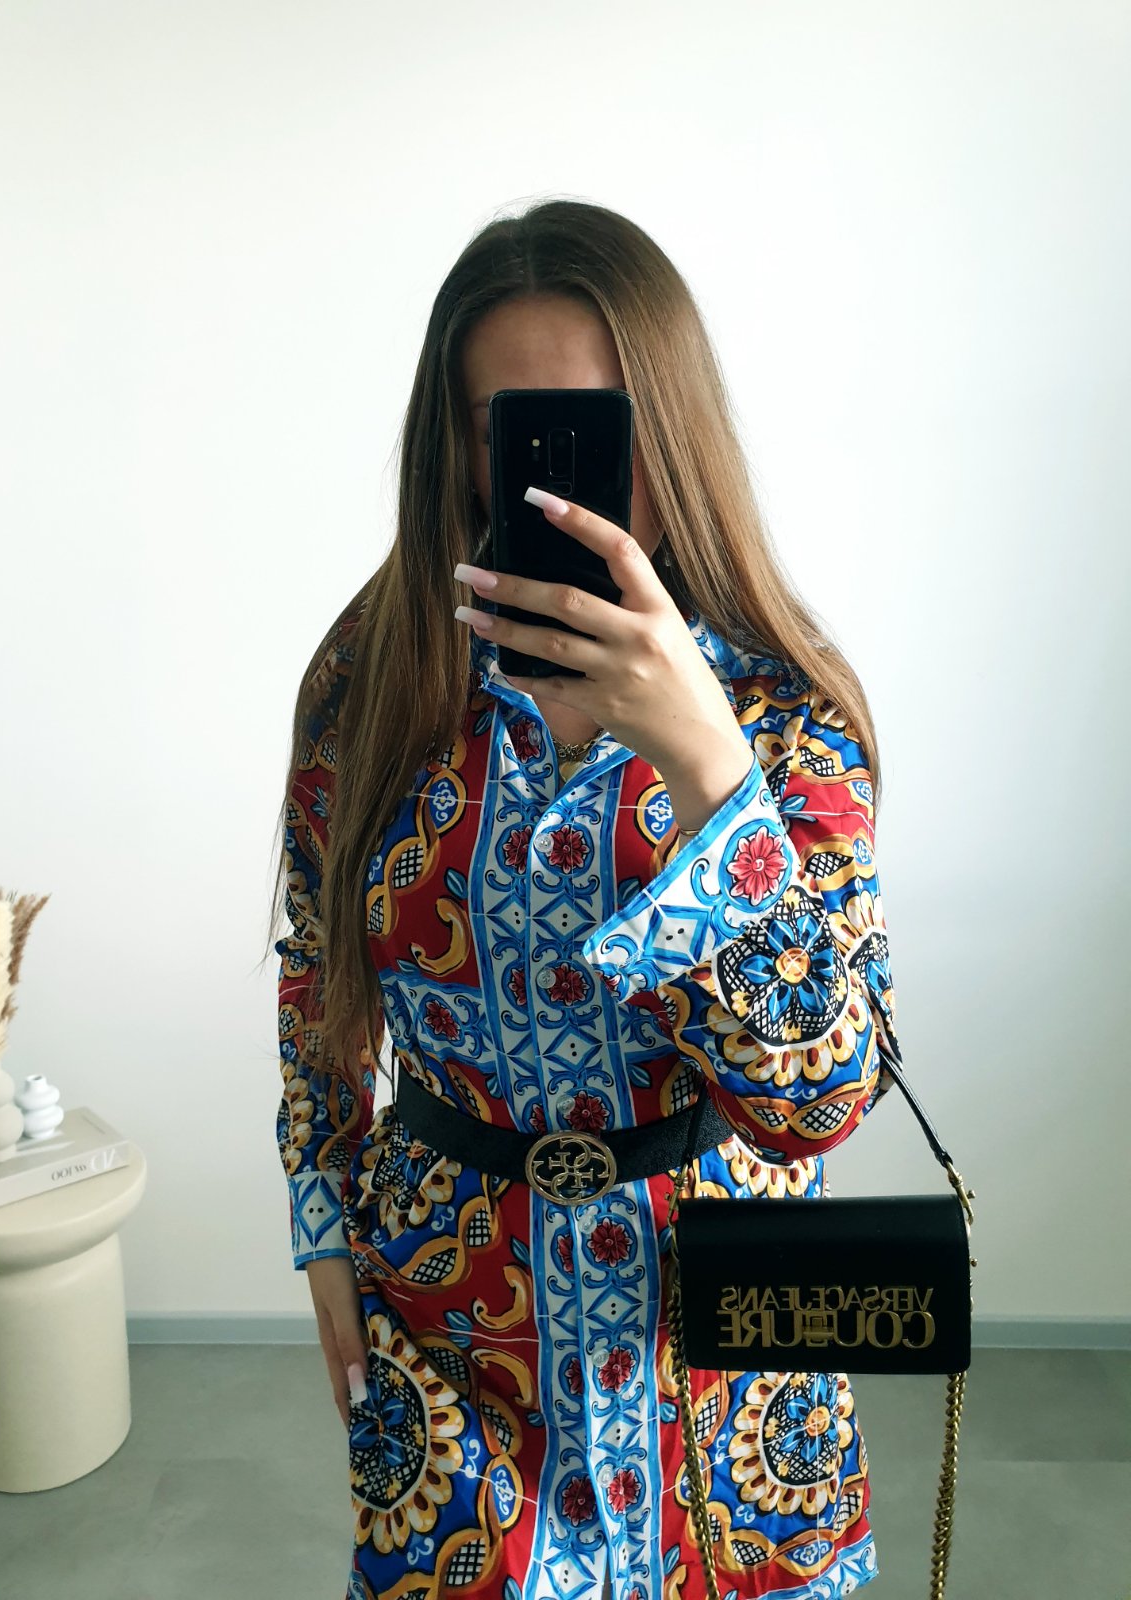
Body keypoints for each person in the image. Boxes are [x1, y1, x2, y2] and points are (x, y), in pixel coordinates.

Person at [271, 198, 898, 1600]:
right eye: (514, 431)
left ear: (668, 429)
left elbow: (820, 1101)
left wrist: (710, 773)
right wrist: (321, 1227)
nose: (559, 490)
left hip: (723, 1357)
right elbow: (316, 973)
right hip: (451, 1332)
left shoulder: (782, 706)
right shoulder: (370, 679)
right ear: (457, 447)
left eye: (597, 431)